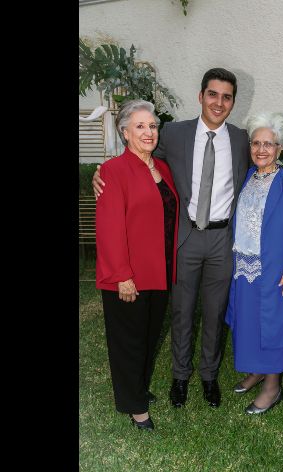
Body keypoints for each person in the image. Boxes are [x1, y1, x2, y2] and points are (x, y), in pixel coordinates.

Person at [93, 68, 251, 409]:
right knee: (180, 312)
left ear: (233, 102)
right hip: (185, 239)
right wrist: (100, 172)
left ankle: (209, 376)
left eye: (226, 97)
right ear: (201, 96)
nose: (219, 102)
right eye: (213, 94)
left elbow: (265, 164)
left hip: (223, 239)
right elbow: (134, 153)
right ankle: (180, 376)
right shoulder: (175, 133)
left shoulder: (241, 139)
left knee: (214, 312)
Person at [95, 100, 179, 431]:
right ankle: (134, 407)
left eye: (152, 126)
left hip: (159, 270)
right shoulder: (114, 171)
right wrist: (122, 276)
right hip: (128, 275)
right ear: (125, 132)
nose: (148, 132)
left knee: (147, 336)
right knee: (128, 340)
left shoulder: (162, 168)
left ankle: (138, 387)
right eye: (140, 126)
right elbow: (109, 228)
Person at [225, 113, 283, 414]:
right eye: (256, 143)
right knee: (247, 323)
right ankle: (256, 371)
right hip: (243, 267)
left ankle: (273, 387)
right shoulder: (246, 177)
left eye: (268, 144)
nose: (261, 150)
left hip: (276, 270)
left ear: (280, 148)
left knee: (273, 326)